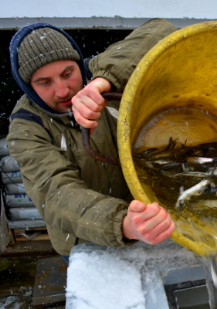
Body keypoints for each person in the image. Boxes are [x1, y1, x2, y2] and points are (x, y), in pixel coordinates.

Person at [7, 19, 177, 260]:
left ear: (79, 64)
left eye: (68, 73)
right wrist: (122, 223)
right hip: (88, 243)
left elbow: (161, 30)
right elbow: (56, 194)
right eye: (45, 83)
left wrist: (102, 82)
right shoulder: (27, 127)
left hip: (146, 220)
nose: (63, 90)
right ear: (28, 87)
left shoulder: (97, 73)